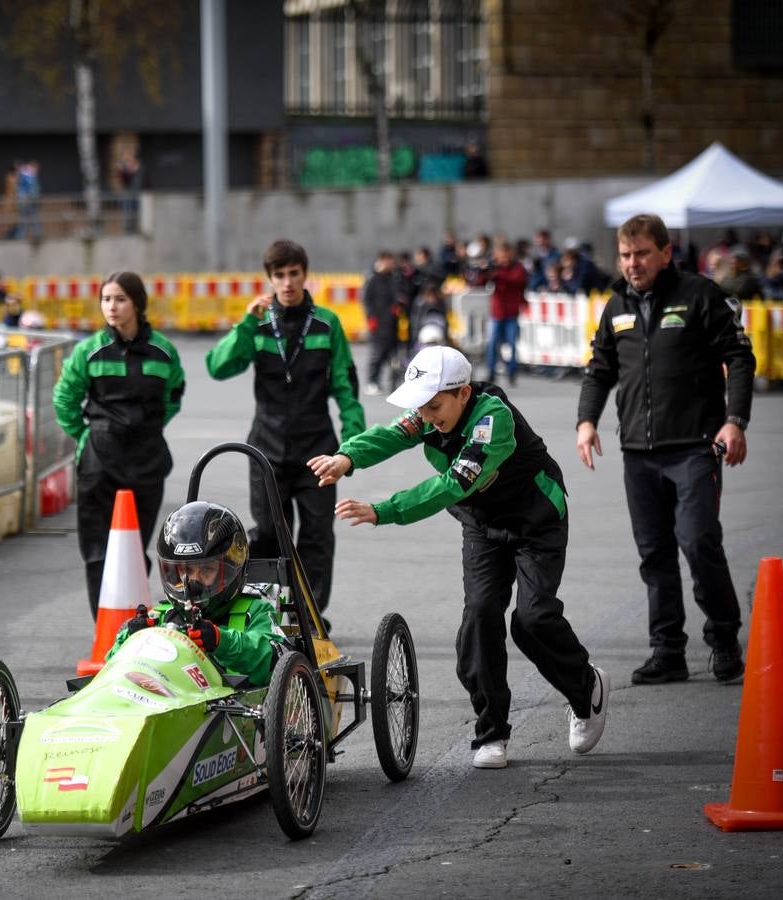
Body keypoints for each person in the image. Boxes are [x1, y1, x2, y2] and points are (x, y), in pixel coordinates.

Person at [310, 345, 609, 769]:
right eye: (423, 407)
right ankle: (492, 732)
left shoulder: (492, 421)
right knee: (481, 616)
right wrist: (347, 457)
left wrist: (384, 511)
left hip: (536, 522)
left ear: (463, 393)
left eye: (435, 406)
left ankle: (587, 689)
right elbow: (393, 434)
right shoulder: (429, 412)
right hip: (483, 525)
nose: (428, 416)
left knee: (532, 620)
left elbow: (452, 485)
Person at [576, 213, 754, 686]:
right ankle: (668, 650)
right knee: (654, 554)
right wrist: (586, 422)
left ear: (665, 252)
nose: (632, 264)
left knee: (697, 542)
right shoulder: (615, 305)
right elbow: (599, 369)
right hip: (638, 451)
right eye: (626, 255)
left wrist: (734, 422)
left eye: (642, 254)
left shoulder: (698, 294)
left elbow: (739, 357)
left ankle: (722, 640)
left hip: (696, 447)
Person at [206, 239, 365, 616]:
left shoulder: (328, 323)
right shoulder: (258, 324)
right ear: (270, 279)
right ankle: (274, 616)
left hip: (318, 451)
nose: (288, 282)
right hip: (266, 451)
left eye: (294, 274)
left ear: (304, 275)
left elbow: (345, 386)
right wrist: (246, 322)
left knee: (317, 538)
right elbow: (217, 367)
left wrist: (352, 446)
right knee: (269, 537)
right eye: (280, 275)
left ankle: (310, 618)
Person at [53, 272, 185, 618]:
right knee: (98, 551)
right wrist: (87, 435)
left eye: (120, 299)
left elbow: (173, 396)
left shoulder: (163, 352)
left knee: (137, 551)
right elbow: (64, 399)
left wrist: (148, 428)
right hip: (99, 464)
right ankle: (105, 628)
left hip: (147, 463)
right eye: (106, 299)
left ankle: (134, 624)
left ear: (138, 304)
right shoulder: (88, 351)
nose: (112, 306)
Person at [107, 501, 286, 687]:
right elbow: (109, 669)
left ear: (231, 569)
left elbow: (270, 660)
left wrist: (219, 641)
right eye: (186, 571)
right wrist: (131, 639)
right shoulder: (162, 616)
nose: (193, 581)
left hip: (229, 707)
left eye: (206, 570)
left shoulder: (255, 610)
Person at [471, 240, 528, 384]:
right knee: (491, 343)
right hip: (497, 312)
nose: (504, 258)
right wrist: (485, 272)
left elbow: (518, 279)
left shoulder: (517, 268)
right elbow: (480, 282)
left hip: (511, 312)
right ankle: (491, 372)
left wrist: (497, 274)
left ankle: (512, 371)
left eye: (506, 254)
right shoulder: (494, 268)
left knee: (512, 343)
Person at [362, 250, 409, 395]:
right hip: (379, 322)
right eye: (389, 261)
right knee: (378, 353)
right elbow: (366, 300)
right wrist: (371, 318)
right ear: (382, 261)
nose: (392, 264)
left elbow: (398, 295)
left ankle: (393, 383)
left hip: (392, 322)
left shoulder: (393, 278)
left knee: (393, 354)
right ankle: (371, 381)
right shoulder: (373, 279)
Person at [115, 151, 142, 235]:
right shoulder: (123, 169)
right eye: (126, 159)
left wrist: (133, 169)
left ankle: (136, 229)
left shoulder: (138, 167)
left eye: (129, 159)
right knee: (127, 213)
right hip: (127, 194)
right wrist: (124, 169)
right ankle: (128, 231)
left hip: (137, 194)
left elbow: (141, 178)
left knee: (137, 213)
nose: (128, 161)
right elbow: (124, 180)